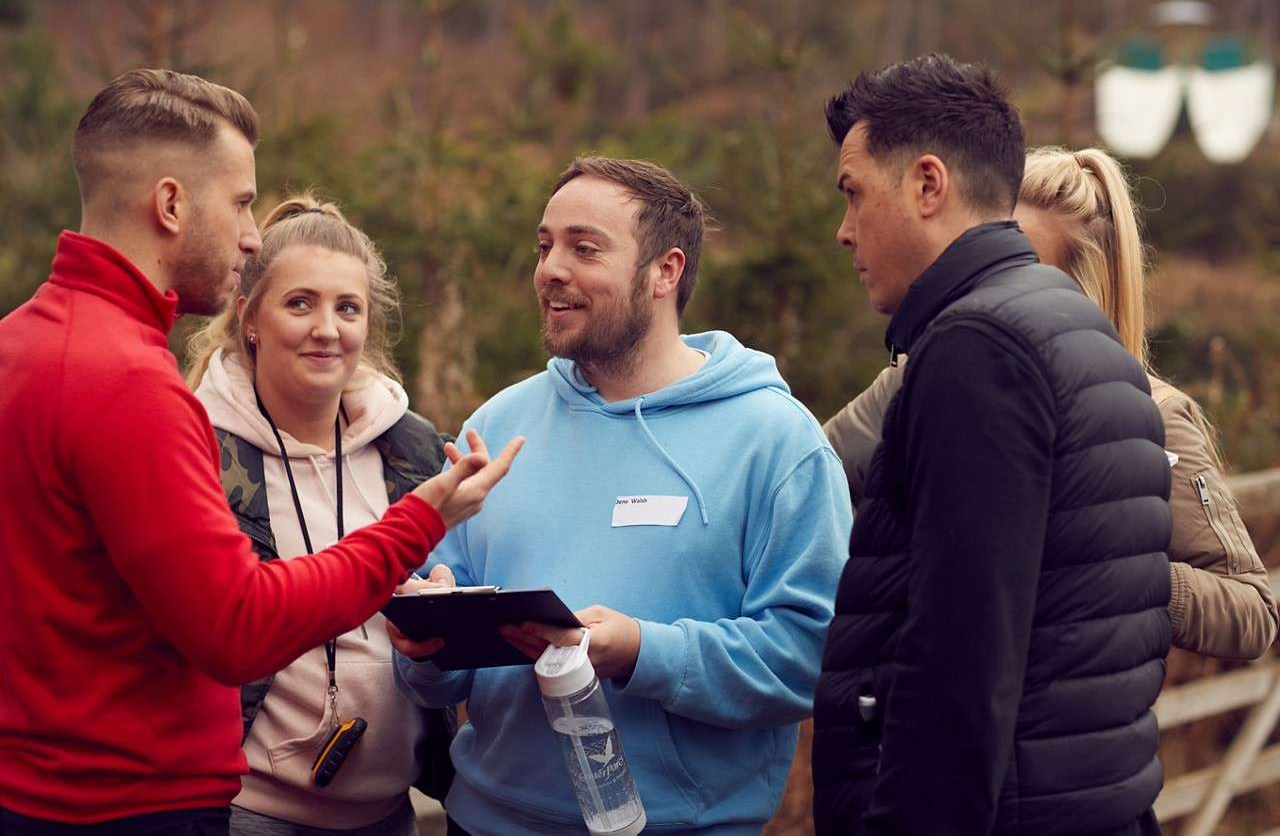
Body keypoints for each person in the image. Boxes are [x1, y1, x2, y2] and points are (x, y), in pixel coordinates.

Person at [0, 69, 520, 835]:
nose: (252, 233)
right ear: (171, 204)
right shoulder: (131, 386)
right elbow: (237, 630)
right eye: (241, 202)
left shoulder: (21, 343)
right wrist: (421, 519)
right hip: (126, 809)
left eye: (347, 307)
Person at [391, 156, 851, 835]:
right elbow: (443, 672)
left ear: (665, 272)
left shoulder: (776, 441)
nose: (550, 269)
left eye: (585, 248)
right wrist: (427, 648)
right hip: (485, 822)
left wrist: (642, 651)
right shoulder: (496, 426)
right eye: (545, 246)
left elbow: (811, 656)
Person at [809, 55, 1172, 836]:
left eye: (853, 193)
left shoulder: (979, 348)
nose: (843, 231)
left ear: (928, 184)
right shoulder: (1074, 326)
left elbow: (958, 668)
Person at [824, 145, 1277, 661]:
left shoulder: (1153, 414)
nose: (1001, 284)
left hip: (1078, 724)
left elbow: (1251, 612)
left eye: (1028, 269)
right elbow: (805, 485)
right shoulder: (916, 378)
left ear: (1086, 290)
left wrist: (1122, 567)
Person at [184, 195, 457, 835]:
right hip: (247, 813)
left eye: (348, 308)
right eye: (300, 303)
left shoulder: (412, 447)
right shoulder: (200, 444)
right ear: (249, 318)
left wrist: (444, 601)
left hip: (392, 813)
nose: (327, 329)